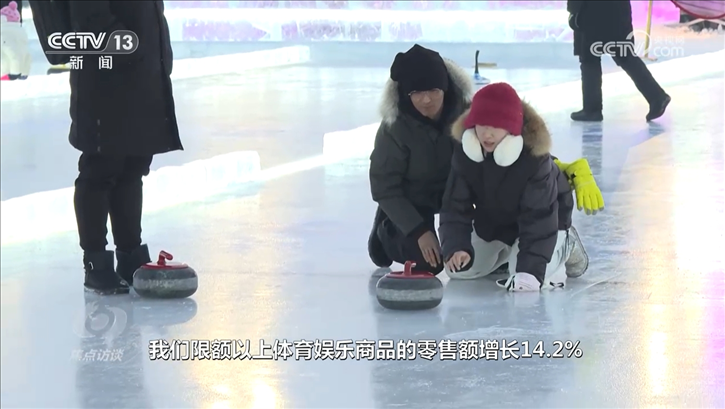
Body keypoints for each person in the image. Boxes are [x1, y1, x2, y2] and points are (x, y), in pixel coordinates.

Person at [367, 44, 602, 276]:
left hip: (458, 192)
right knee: (428, 262)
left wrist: (560, 167)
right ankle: (387, 231)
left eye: (434, 90)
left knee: (461, 257)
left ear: (445, 88)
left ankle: (521, 249)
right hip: (415, 199)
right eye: (416, 93)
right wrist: (418, 230)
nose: (427, 99)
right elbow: (383, 185)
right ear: (405, 94)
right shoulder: (394, 128)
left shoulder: (470, 114)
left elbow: (514, 143)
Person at [37, 2, 183, 294]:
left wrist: (157, 55)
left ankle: (130, 255)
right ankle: (96, 263)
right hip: (104, 78)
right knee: (101, 168)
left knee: (133, 166)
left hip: (141, 73)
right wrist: (131, 52)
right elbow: (91, 15)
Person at [439, 82, 586, 292]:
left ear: (512, 128)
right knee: (459, 270)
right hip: (497, 225)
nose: (487, 134)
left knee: (525, 278)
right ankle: (511, 253)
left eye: (496, 126)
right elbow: (455, 206)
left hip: (549, 224)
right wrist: (456, 246)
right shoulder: (466, 153)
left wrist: (530, 270)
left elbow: (540, 218)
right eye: (481, 124)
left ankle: (567, 242)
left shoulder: (534, 159)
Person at [567, 0, 671, 122]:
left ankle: (592, 109)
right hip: (617, 9)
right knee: (624, 54)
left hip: (591, 10)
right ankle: (656, 96)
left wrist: (574, 10)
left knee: (589, 58)